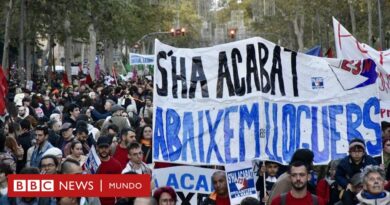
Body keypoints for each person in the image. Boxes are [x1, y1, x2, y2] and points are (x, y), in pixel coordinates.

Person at [335, 138, 378, 203]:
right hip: (351, 185)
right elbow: (338, 176)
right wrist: (346, 184)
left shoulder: (370, 161)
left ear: (364, 152)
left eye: (359, 151)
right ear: (349, 152)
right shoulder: (344, 162)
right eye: (354, 151)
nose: (357, 154)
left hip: (367, 185)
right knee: (347, 196)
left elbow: (377, 173)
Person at [96, 136, 122, 205]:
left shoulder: (116, 165)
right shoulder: (92, 162)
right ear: (97, 148)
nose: (104, 150)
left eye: (106, 147)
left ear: (109, 148)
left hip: (111, 201)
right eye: (101, 148)